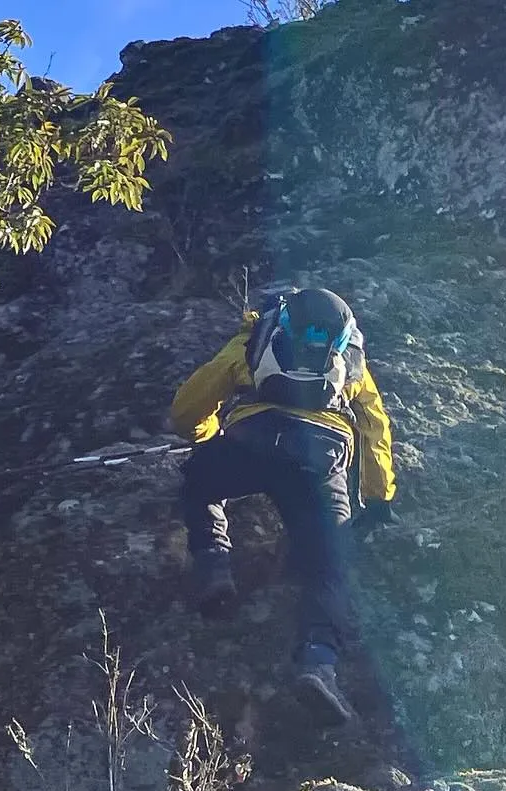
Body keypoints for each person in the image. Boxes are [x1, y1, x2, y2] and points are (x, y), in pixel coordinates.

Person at [169, 287, 397, 724]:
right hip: (320, 461)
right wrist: (377, 493)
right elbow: (373, 422)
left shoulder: (257, 336)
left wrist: (204, 434)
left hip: (253, 442)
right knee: (329, 562)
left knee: (199, 482)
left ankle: (214, 565)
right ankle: (318, 662)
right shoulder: (350, 355)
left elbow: (191, 404)